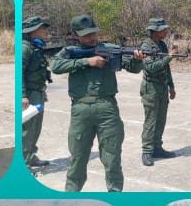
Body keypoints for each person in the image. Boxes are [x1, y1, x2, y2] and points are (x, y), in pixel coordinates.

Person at [51, 14, 145, 192]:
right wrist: (87, 61)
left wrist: (137, 59)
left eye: (94, 33)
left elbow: (132, 68)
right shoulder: (69, 51)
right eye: (86, 34)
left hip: (107, 108)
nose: (92, 37)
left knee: (112, 158)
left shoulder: (109, 49)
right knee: (78, 159)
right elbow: (55, 66)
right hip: (80, 109)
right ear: (75, 34)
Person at [139, 17, 177, 167]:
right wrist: (168, 58)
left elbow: (166, 68)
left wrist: (171, 86)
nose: (166, 31)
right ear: (155, 30)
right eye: (163, 29)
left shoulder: (161, 44)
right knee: (151, 121)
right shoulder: (145, 46)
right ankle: (147, 151)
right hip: (151, 88)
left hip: (162, 87)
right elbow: (150, 68)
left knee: (161, 119)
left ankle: (157, 148)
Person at [22, 15, 52, 169]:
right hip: (30, 94)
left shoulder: (35, 46)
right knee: (27, 129)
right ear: (33, 31)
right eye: (42, 28)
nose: (45, 30)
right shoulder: (25, 48)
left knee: (36, 127)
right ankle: (24, 161)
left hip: (38, 91)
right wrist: (22, 95)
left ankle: (31, 155)